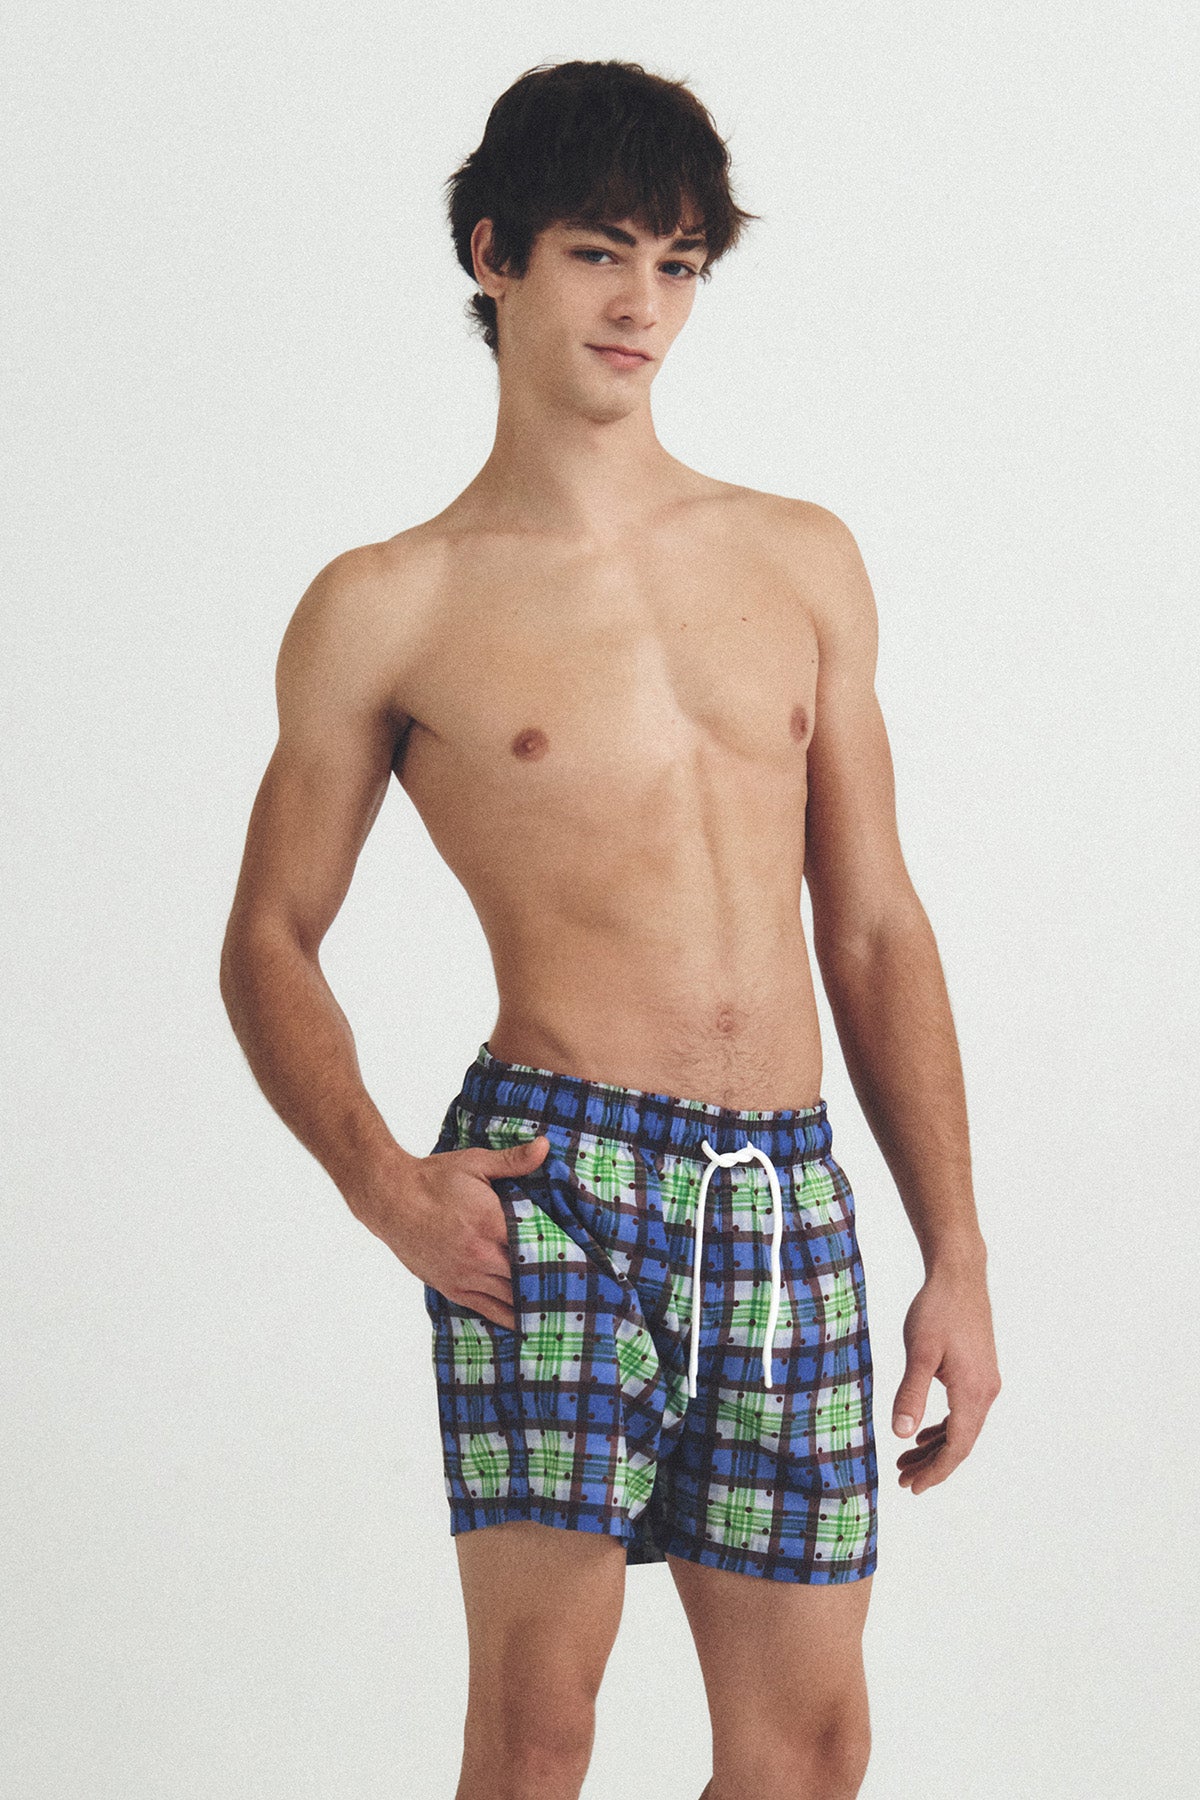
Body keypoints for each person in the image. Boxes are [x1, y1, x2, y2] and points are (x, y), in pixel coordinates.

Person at [220, 56, 1001, 1800]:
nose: (644, 305)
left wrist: (954, 1250)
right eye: (598, 254)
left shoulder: (801, 559)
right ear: (494, 254)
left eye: (679, 264)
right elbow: (270, 934)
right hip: (553, 1188)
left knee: (810, 1751)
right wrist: (381, 1183)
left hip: (785, 1199)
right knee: (540, 1731)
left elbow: (875, 926)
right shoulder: (389, 603)